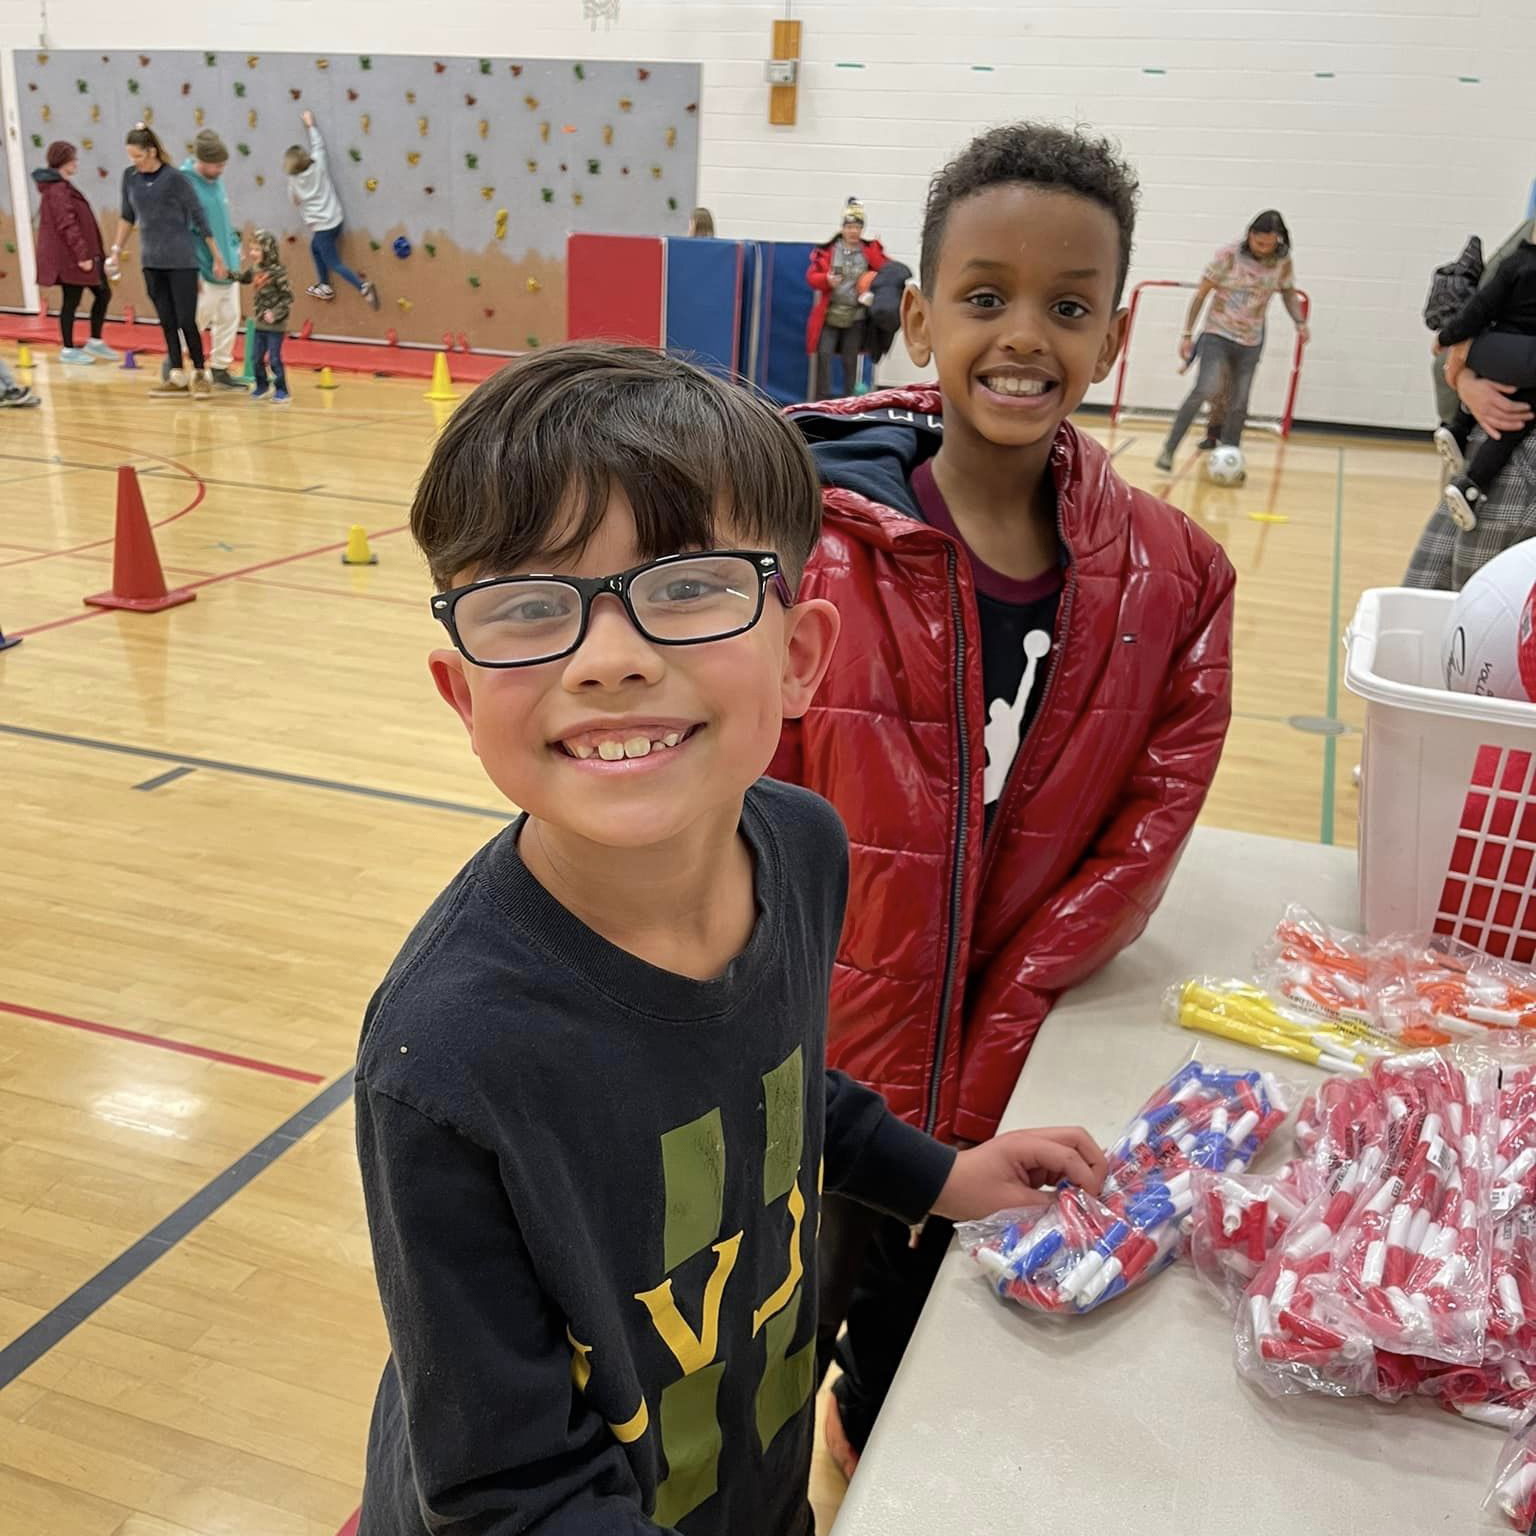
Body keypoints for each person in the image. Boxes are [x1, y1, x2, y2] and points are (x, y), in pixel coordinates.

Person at [353, 341, 1108, 1536]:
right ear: (461, 693)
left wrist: (944, 1177)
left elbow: (784, 1087)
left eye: (689, 583)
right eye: (530, 606)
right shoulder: (446, 1055)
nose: (608, 658)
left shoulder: (803, 848)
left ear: (800, 656)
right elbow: (504, 1491)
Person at [773, 121, 1236, 1472]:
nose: (1025, 334)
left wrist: (1000, 1035)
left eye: (1068, 305)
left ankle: (860, 1448)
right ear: (919, 315)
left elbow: (1144, 833)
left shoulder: (1177, 579)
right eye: (985, 297)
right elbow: (741, 818)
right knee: (762, 1345)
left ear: (1113, 336)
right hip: (817, 1064)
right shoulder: (803, 532)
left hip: (1001, 1076)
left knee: (915, 1354)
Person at [1154, 210, 1311, 472]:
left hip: (1251, 339)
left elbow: (1288, 293)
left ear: (1279, 241)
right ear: (1250, 235)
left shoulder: (1283, 262)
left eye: (1268, 244)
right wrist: (1187, 334)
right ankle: (1169, 449)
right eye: (1258, 242)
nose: (1262, 249)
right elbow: (1201, 295)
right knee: (1206, 388)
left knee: (1239, 402)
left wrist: (1299, 321)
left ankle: (1230, 458)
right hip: (1218, 333)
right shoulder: (1228, 256)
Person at [107, 123, 227, 401]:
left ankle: (199, 372)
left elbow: (199, 216)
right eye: (130, 157)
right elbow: (128, 216)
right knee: (166, 320)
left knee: (186, 319)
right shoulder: (130, 178)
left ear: (151, 151)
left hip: (181, 260)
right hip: (152, 260)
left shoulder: (175, 178)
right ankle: (176, 375)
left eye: (137, 156)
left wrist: (216, 256)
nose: (133, 162)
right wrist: (115, 250)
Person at [1405, 354, 1536, 591]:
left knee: (1474, 600)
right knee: (1422, 591)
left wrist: (1466, 353)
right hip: (1480, 441)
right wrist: (1462, 370)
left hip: (1518, 445)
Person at [1432, 231, 1536, 530]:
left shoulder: (1518, 260)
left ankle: (1460, 441)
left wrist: (1462, 348)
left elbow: (1475, 313)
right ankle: (1468, 473)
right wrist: (1462, 369)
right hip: (1488, 420)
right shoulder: (1517, 258)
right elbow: (1476, 309)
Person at [31, 140, 116, 365]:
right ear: (64, 162)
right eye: (73, 159)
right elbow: (67, 224)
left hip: (83, 254)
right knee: (72, 300)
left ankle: (95, 340)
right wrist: (82, 255)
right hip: (71, 258)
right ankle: (68, 349)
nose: (76, 163)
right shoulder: (58, 190)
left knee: (103, 293)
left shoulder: (63, 186)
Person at [286, 111, 378, 308]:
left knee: (333, 262)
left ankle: (362, 286)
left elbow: (294, 201)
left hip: (322, 227)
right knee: (315, 249)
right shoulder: (318, 164)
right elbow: (319, 145)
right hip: (336, 219)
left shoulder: (293, 182)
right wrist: (310, 125)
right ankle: (324, 285)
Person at [180, 130, 246, 391]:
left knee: (230, 317)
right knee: (197, 319)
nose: (221, 170)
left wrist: (234, 247)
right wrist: (191, 269)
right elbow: (184, 231)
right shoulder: (185, 185)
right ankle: (175, 365)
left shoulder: (215, 181)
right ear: (201, 161)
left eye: (223, 165)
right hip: (203, 267)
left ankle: (220, 368)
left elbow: (222, 219)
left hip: (228, 266)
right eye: (217, 165)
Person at [806, 199, 886, 400]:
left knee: (851, 360)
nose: (853, 231)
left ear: (862, 229)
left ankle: (850, 401)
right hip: (830, 315)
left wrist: (872, 287)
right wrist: (827, 280)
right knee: (824, 356)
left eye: (857, 227)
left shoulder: (868, 251)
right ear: (842, 228)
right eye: (849, 227)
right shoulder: (829, 250)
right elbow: (811, 277)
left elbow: (886, 272)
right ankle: (821, 400)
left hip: (856, 317)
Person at [234, 230, 294, 404]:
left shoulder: (278, 272)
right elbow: (245, 278)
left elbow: (287, 298)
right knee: (255, 358)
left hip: (275, 326)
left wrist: (275, 313)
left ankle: (282, 390)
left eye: (257, 250)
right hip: (260, 323)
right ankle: (262, 386)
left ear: (268, 251)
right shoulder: (255, 269)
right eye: (252, 249)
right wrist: (228, 275)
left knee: (274, 359)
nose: (253, 254)